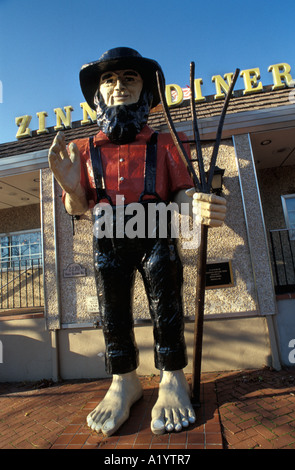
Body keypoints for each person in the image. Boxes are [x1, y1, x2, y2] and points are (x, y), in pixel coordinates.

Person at [48, 47, 226, 436]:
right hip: (108, 234)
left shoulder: (166, 144)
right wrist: (70, 185)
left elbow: (181, 194)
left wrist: (196, 205)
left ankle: (172, 375)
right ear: (98, 95)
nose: (118, 86)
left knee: (167, 297)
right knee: (112, 306)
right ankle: (123, 379)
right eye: (109, 80)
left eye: (130, 78)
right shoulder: (83, 150)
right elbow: (78, 206)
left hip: (156, 231)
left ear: (145, 92)